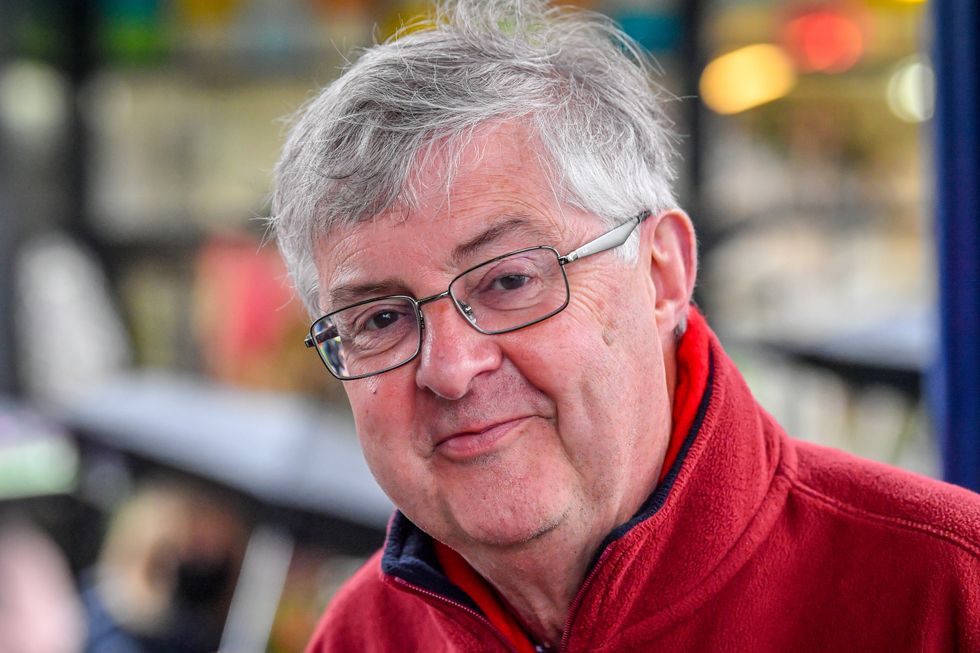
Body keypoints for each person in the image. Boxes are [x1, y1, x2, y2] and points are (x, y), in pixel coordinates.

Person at [270, 1, 980, 650]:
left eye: (510, 279)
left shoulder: (945, 590)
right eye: (382, 318)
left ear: (662, 273)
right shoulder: (361, 637)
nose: (451, 369)